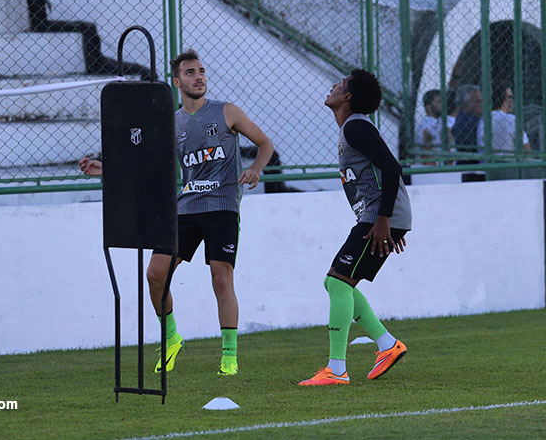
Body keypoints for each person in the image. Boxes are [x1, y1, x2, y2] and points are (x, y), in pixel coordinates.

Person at [79, 49, 274, 376]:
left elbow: (266, 144)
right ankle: (171, 337)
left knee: (221, 277)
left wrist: (255, 168)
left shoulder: (227, 112)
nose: (198, 77)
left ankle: (229, 355)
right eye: (190, 73)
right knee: (155, 274)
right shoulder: (173, 124)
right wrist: (105, 169)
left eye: (201, 71)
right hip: (185, 209)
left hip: (222, 206)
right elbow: (147, 164)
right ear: (177, 82)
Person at [299, 68, 412, 387]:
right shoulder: (352, 128)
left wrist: (385, 220)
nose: (333, 86)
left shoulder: (356, 127)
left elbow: (392, 169)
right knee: (338, 283)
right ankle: (387, 345)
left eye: (341, 84)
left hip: (380, 217)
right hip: (381, 216)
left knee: (337, 283)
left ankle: (337, 369)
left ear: (347, 96)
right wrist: (390, 221)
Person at [476, 86, 531, 152]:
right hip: (507, 161)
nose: (512, 101)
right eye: (510, 97)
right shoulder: (511, 119)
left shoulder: (483, 119)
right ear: (504, 99)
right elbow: (527, 150)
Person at [416, 89, 453, 164]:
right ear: (428, 107)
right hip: (430, 168)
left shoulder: (438, 122)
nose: (443, 105)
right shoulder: (426, 125)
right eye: (439, 102)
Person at [451, 84, 482, 164]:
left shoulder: (467, 120)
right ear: (466, 104)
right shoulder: (467, 123)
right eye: (478, 101)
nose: (482, 103)